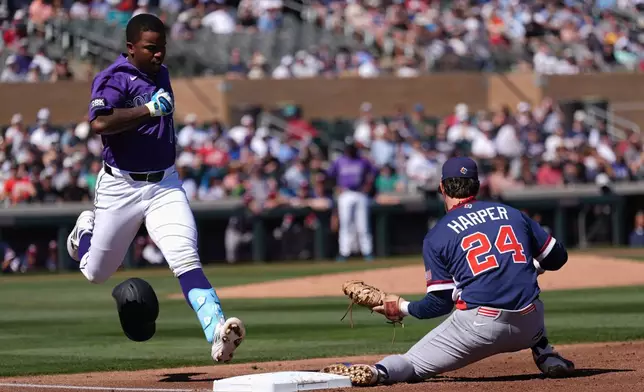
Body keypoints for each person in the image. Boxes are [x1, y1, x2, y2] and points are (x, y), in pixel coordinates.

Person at [65, 14, 245, 363]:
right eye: (151, 48)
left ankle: (218, 332)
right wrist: (147, 110)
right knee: (96, 272)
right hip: (121, 187)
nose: (159, 54)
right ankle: (84, 231)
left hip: (164, 183)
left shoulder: (159, 71)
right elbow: (100, 122)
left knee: (185, 256)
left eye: (162, 47)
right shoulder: (113, 78)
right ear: (130, 48)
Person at [322, 156, 574, 385]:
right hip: (530, 324)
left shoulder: (438, 234)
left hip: (480, 328)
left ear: (442, 187)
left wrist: (401, 307)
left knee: (411, 364)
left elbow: (439, 305)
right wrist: (530, 267)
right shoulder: (512, 213)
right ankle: (545, 354)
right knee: (523, 295)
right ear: (477, 185)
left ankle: (378, 372)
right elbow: (557, 257)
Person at [326, 139, 377, 262]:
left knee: (363, 225)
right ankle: (344, 252)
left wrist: (368, 185)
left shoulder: (363, 160)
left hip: (360, 193)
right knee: (345, 224)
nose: (349, 151)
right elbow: (329, 175)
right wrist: (336, 187)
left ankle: (367, 252)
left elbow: (374, 172)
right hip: (346, 193)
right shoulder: (339, 161)